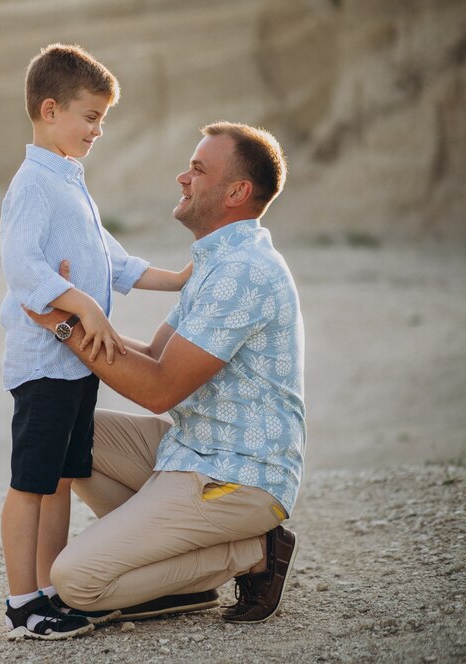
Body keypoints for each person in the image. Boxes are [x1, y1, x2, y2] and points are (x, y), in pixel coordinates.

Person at [25, 121, 304, 626]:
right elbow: (155, 354)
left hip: (235, 475)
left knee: (78, 582)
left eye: (198, 169)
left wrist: (64, 325)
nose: (182, 177)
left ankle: (255, 551)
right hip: (192, 450)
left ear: (237, 191)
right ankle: (176, 583)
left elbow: (157, 388)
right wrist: (75, 320)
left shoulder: (243, 272)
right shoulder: (219, 262)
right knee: (70, 431)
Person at [0, 43, 193, 641]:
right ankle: (21, 603)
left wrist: (179, 278)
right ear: (50, 109)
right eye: (91, 117)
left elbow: (111, 260)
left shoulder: (70, 182)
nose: (98, 130)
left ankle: (51, 590)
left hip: (77, 368)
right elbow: (21, 268)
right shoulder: (33, 184)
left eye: (103, 120)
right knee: (31, 485)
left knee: (60, 482)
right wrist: (80, 303)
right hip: (43, 365)